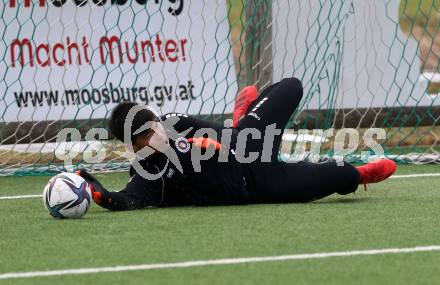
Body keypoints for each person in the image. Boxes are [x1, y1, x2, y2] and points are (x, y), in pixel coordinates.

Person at [77, 78, 396, 211]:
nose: (153, 138)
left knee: (291, 87)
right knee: (340, 174)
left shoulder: (175, 121)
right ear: (132, 146)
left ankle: (242, 115)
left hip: (249, 142)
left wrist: (202, 143)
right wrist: (90, 187)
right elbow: (122, 200)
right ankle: (363, 175)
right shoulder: (147, 172)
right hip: (259, 184)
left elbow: (227, 140)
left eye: (153, 129)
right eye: (142, 139)